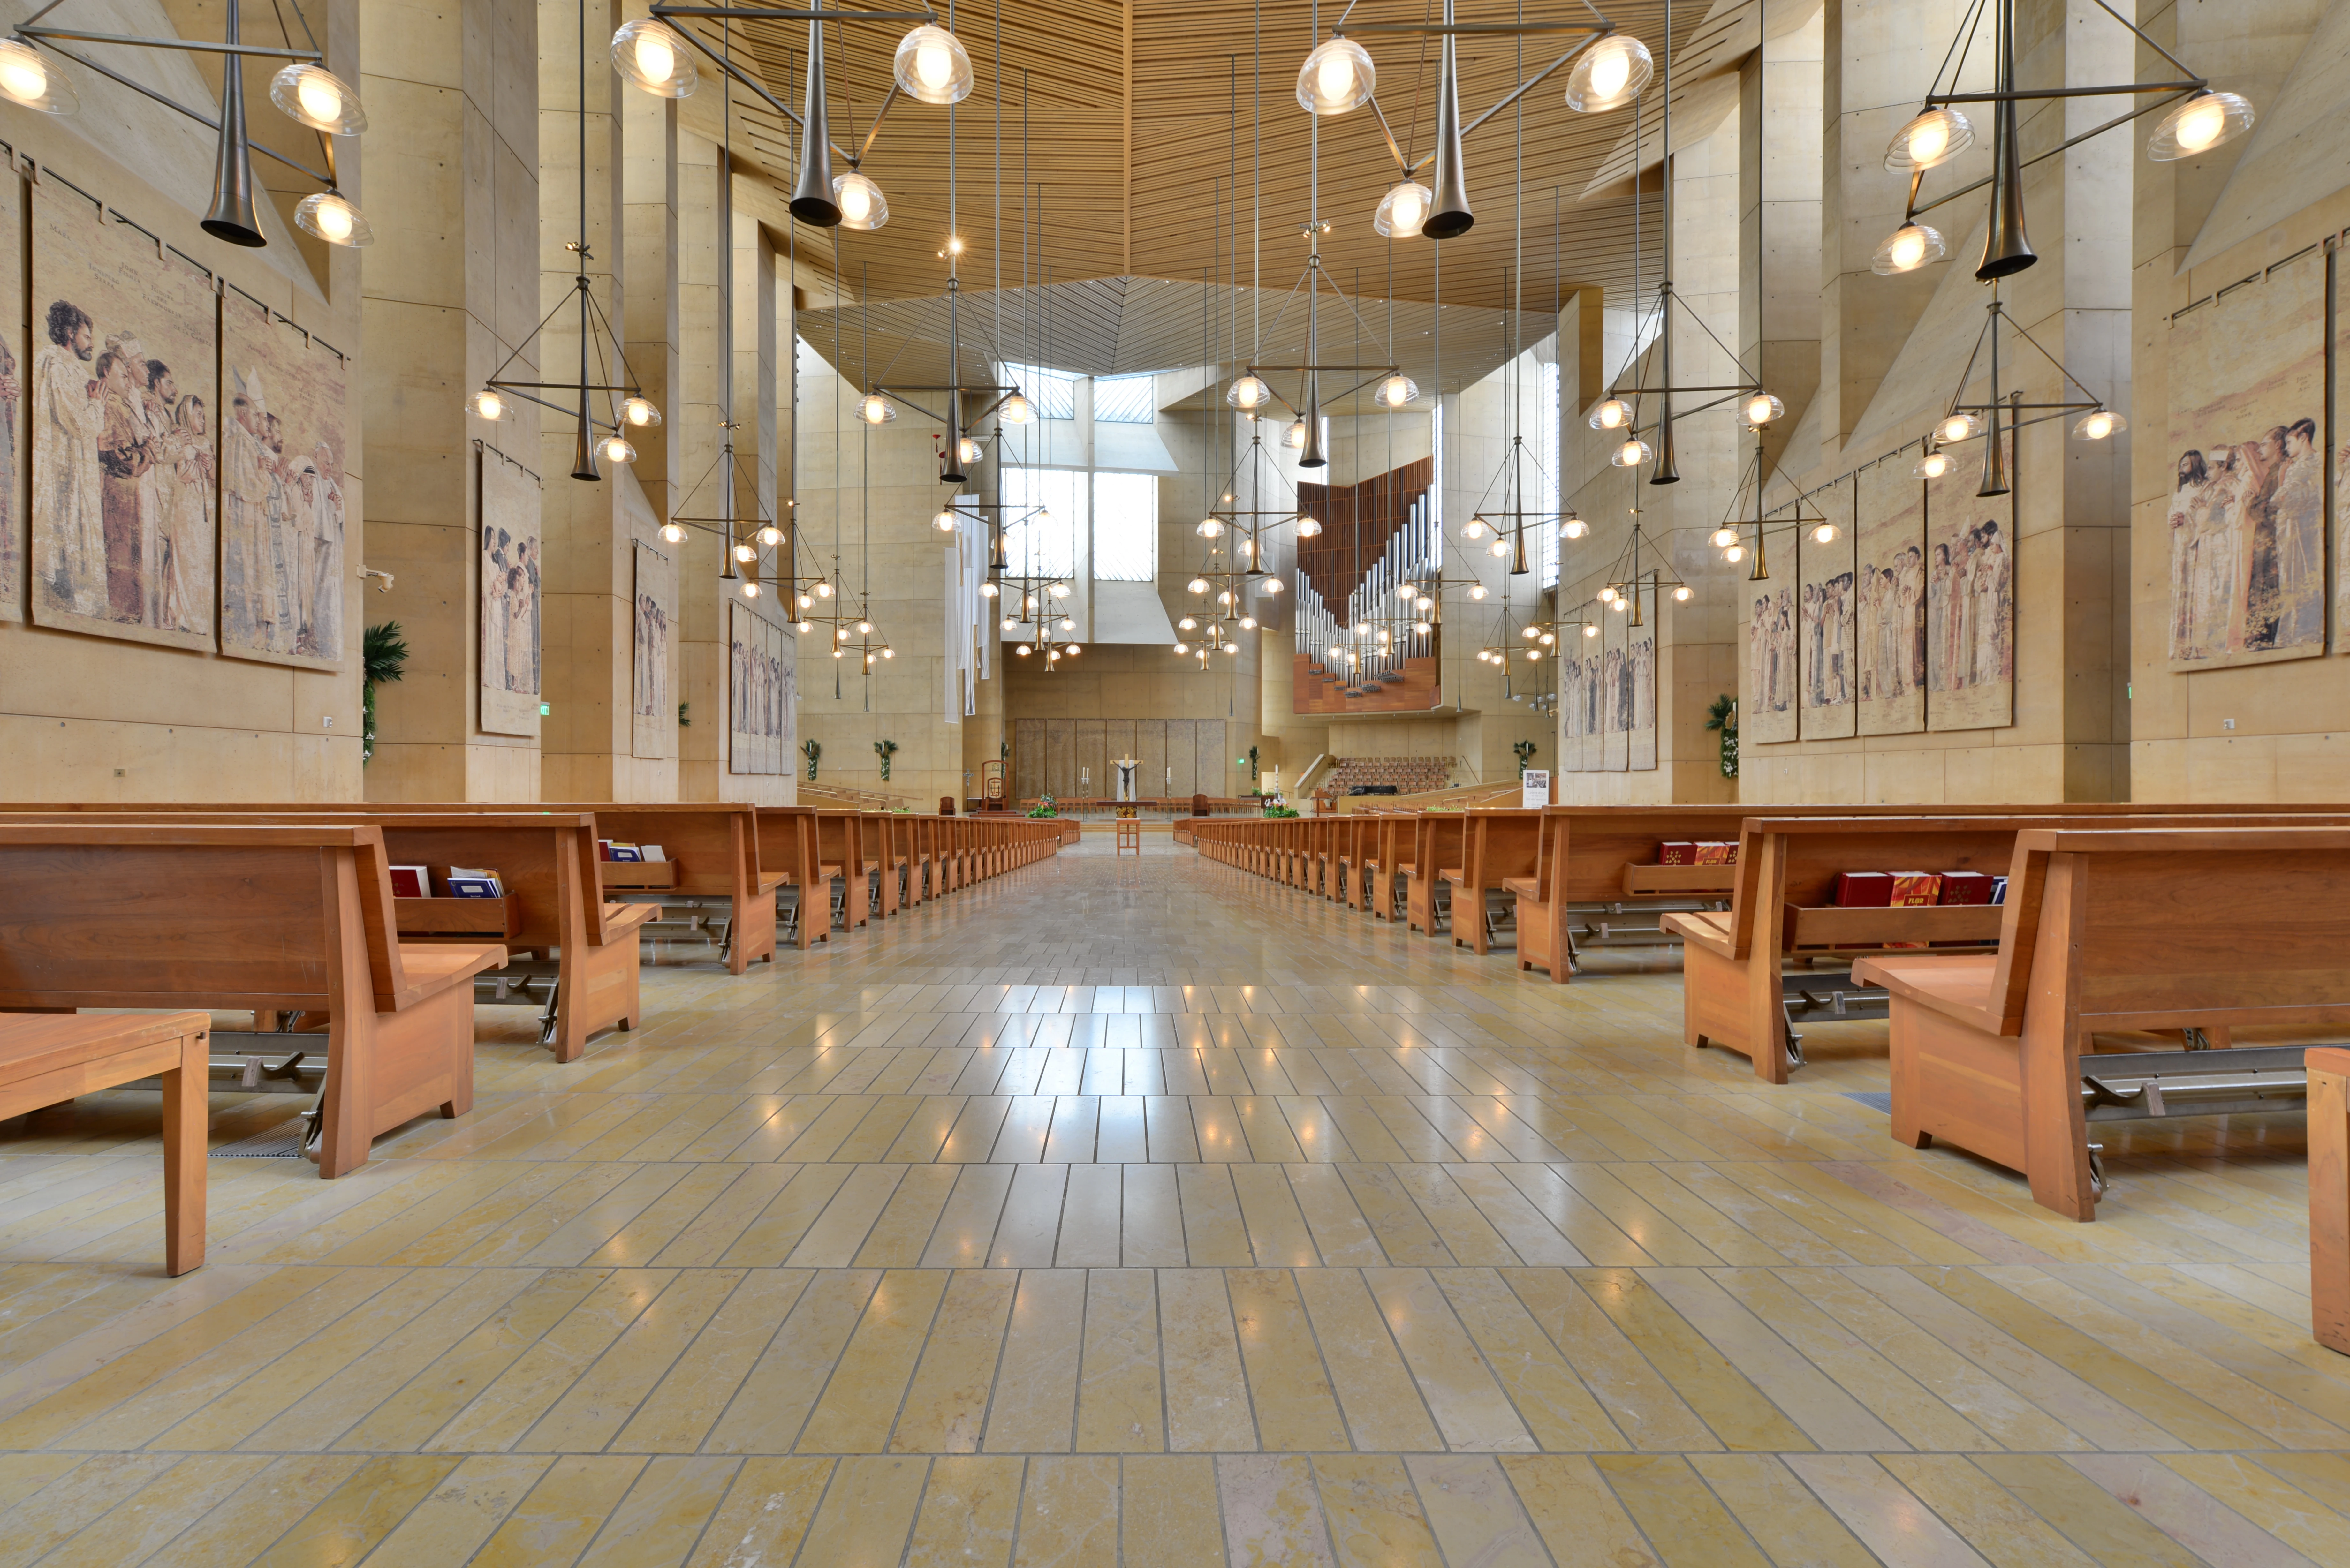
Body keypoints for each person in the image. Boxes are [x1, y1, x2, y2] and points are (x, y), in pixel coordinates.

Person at [32, 300, 106, 616]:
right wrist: (97, 404)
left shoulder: (70, 368)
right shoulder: (58, 365)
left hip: (77, 466)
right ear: (70, 333)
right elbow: (79, 423)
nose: (91, 343)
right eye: (87, 336)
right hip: (66, 469)